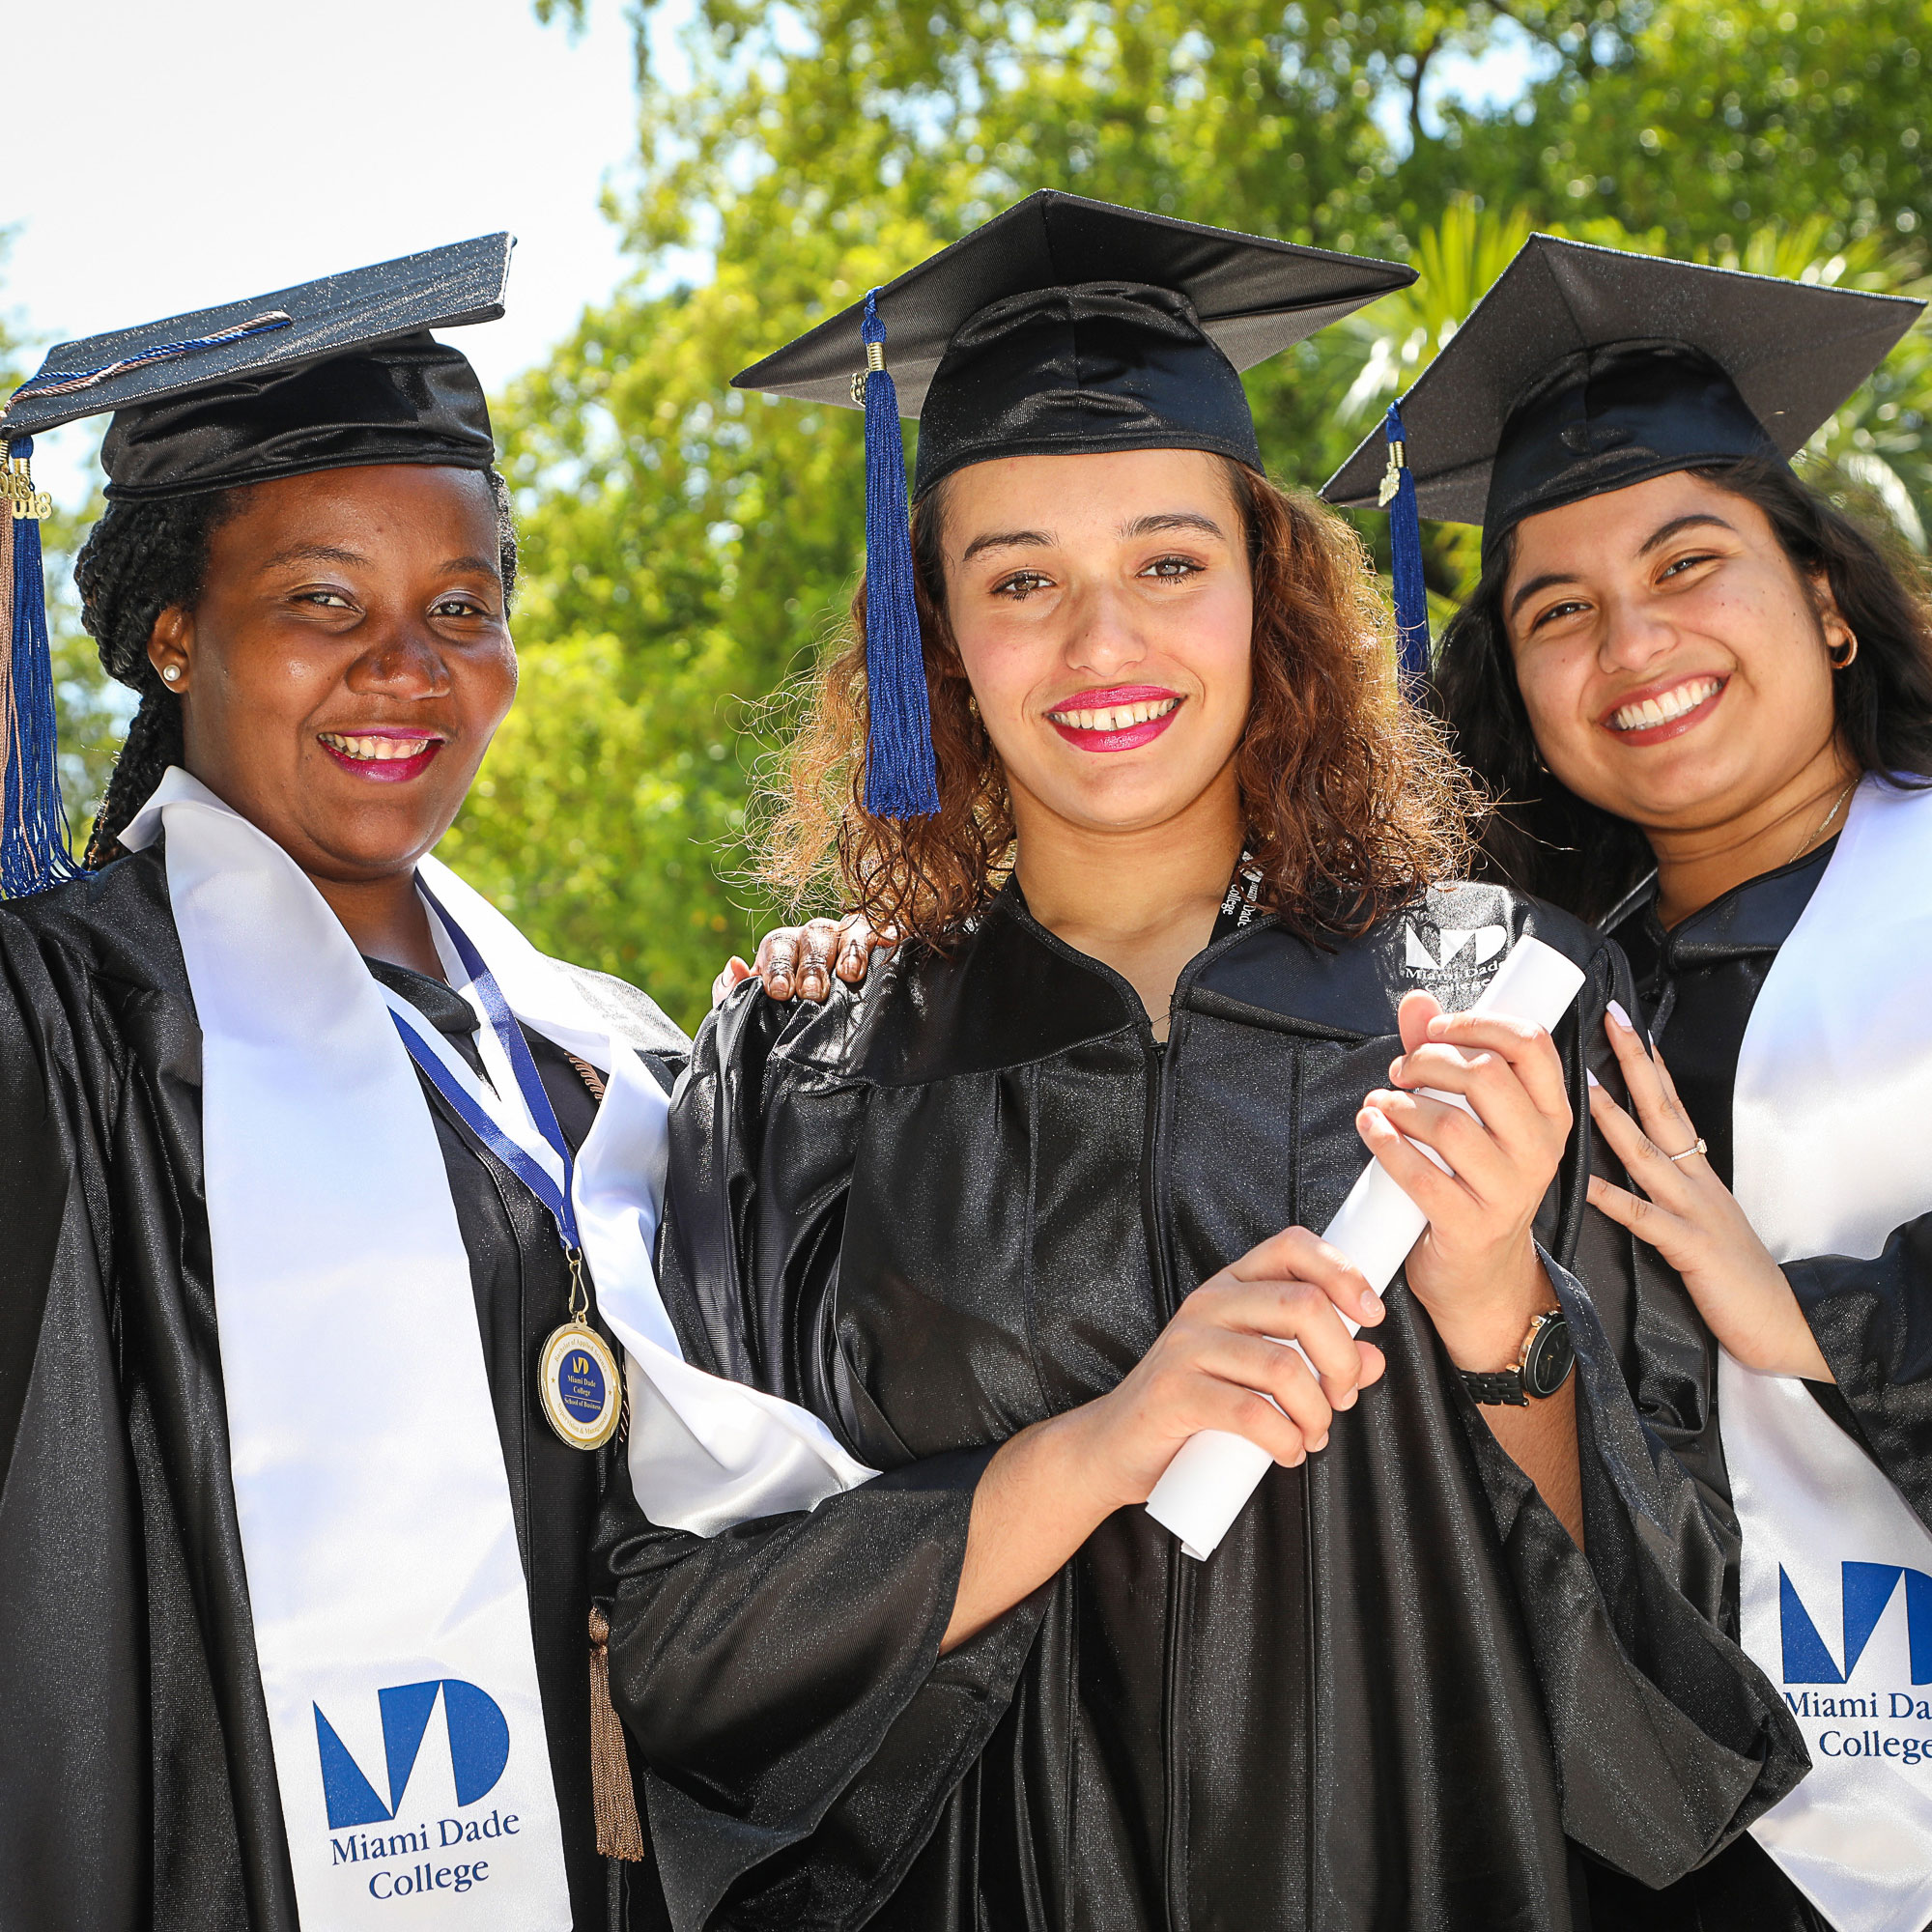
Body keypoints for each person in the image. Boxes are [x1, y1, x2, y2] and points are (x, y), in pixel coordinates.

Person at [598, 191, 1804, 1932]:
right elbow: (693, 1637)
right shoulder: (804, 1077)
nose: (1105, 648)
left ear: (1270, 596)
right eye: (1023, 582)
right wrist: (1095, 1449)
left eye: (1171, 561)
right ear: (938, 634)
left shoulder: (1506, 1002)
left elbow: (1679, 1629)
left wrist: (1497, 1313)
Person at [0, 241, 837, 1932]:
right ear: (173, 634)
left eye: (464, 608)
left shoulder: (596, 1044)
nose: (408, 666)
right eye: (322, 601)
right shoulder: (67, 1017)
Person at [1324, 233, 1932, 1931]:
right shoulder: (1517, 1000)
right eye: (1560, 610)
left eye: (1688, 563)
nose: (1633, 640)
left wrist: (1821, 1318)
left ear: (1820, 589)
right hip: (1658, 1843)